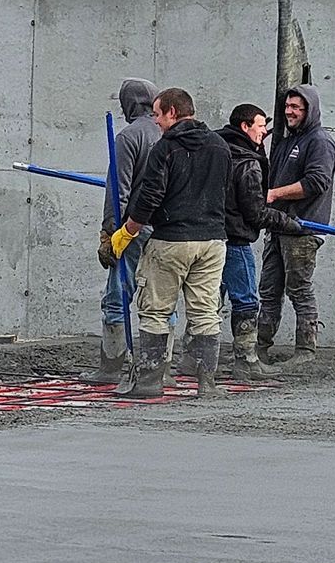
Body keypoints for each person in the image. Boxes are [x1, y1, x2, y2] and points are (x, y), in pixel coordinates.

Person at [107, 88, 230, 398]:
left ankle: (149, 382)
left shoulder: (166, 148)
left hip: (172, 240)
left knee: (155, 311)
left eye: (159, 114)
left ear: (173, 113)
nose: (157, 121)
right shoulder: (220, 146)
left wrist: (126, 232)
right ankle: (207, 384)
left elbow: (150, 196)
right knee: (205, 312)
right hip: (213, 242)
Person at [220, 103, 304, 378]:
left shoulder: (217, 150)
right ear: (245, 127)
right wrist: (288, 223)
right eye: (260, 126)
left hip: (210, 237)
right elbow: (255, 213)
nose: (265, 131)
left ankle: (194, 360)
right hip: (236, 239)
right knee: (245, 301)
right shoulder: (247, 164)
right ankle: (246, 361)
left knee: (208, 302)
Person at [257, 82, 335, 364]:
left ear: (309, 110)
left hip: (303, 229)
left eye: (296, 107)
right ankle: (260, 347)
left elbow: (317, 182)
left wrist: (275, 194)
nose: (289, 112)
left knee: (299, 288)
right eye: (287, 106)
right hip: (278, 227)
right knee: (269, 289)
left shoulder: (319, 142)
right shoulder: (286, 141)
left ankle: (305, 351)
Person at [87, 78, 159, 383]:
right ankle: (160, 368)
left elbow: (118, 190)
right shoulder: (167, 134)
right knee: (159, 300)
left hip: (133, 229)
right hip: (166, 232)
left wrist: (109, 233)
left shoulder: (129, 136)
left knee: (117, 295)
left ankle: (112, 366)